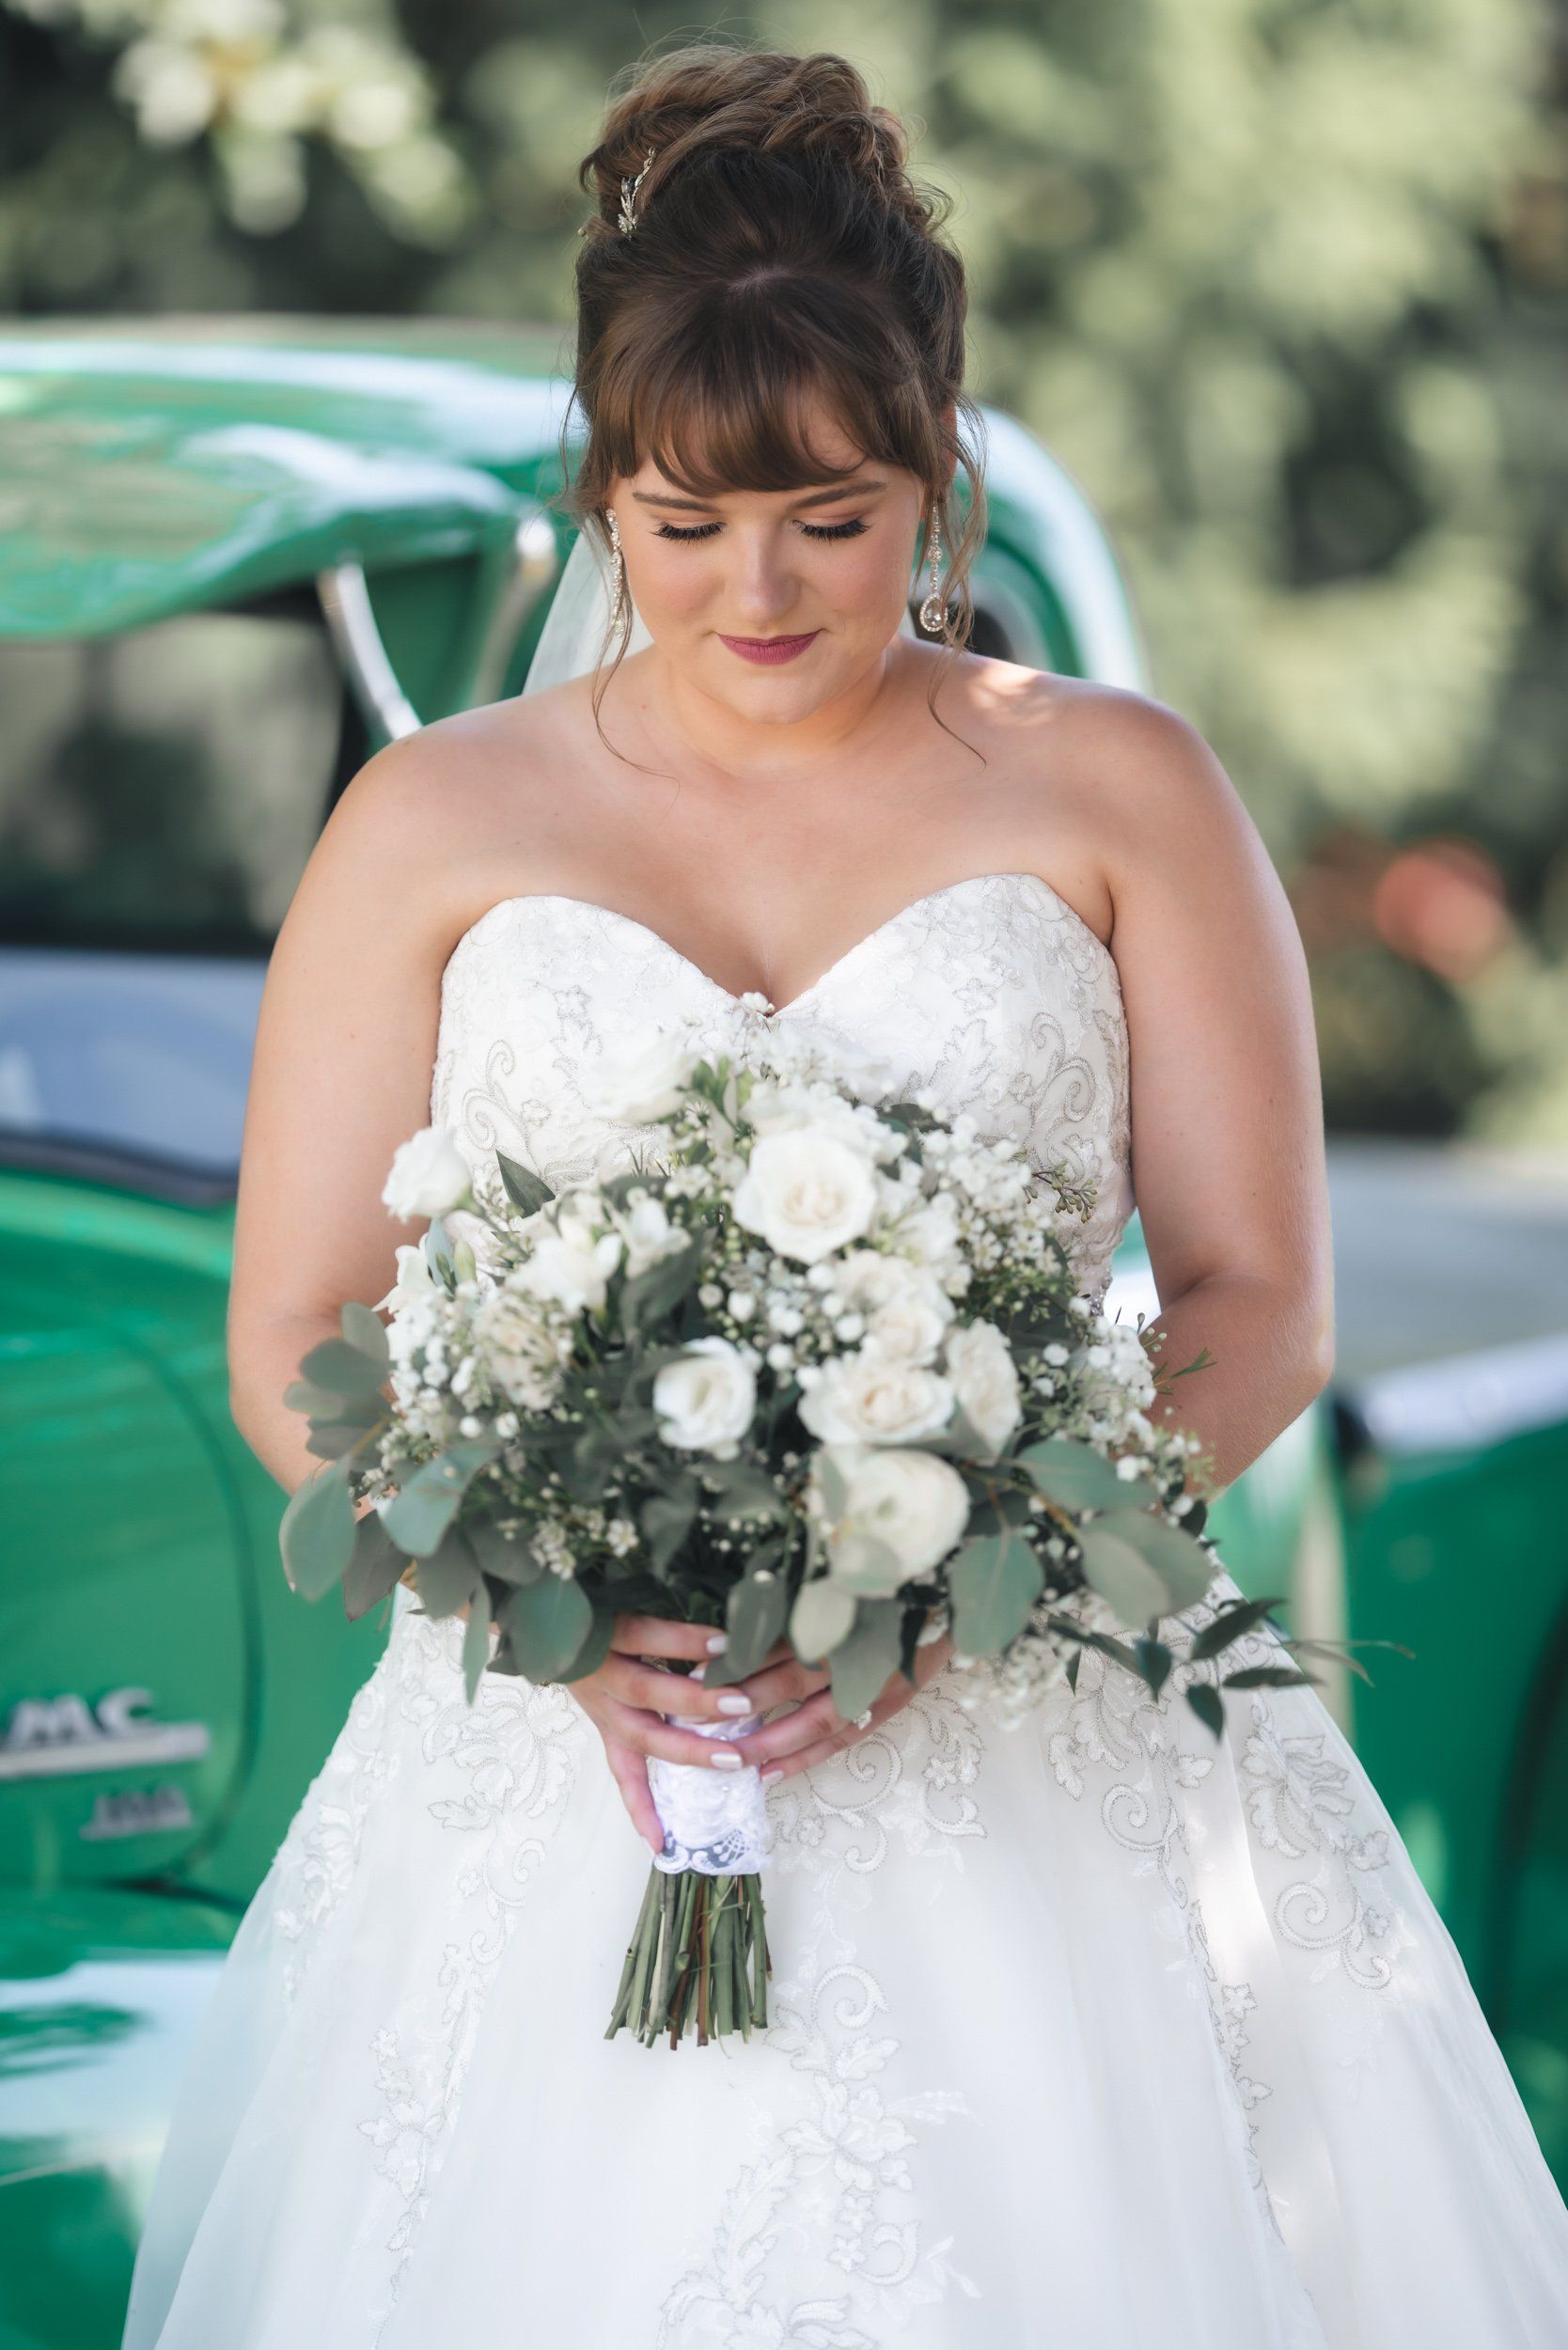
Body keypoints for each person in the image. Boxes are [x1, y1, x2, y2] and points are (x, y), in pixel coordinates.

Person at [122, 39, 1568, 2350]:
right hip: (561, 1761)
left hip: (1042, 1733)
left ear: (938, 477)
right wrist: (557, 1622)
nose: (760, 589)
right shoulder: (429, 819)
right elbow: (301, 1322)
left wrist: (968, 1564)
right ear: (605, 497)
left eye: (836, 513)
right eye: (688, 524)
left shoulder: (1116, 786)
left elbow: (1257, 1290)